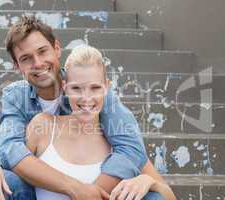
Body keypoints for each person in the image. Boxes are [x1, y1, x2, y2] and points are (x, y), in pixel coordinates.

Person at [0, 16, 167, 200]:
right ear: (17, 66)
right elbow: (11, 150)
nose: (38, 63)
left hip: (90, 175)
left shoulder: (91, 90)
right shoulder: (16, 96)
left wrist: (91, 193)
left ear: (57, 48)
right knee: (2, 184)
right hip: (40, 187)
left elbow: (130, 148)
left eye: (42, 51)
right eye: (26, 58)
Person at [25, 45, 176, 200]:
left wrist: (149, 181)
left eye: (95, 88)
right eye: (76, 88)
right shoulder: (43, 126)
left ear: (106, 87)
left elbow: (169, 196)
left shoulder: (120, 142)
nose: (86, 97)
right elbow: (12, 165)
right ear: (65, 88)